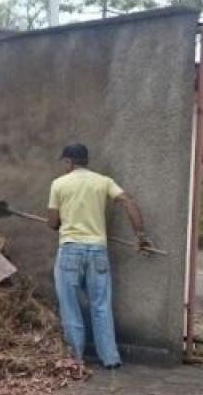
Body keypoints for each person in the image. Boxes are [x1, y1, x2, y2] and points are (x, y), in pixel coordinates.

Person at [47, 144, 151, 368]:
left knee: (70, 305)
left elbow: (53, 224)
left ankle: (75, 359)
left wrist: (63, 220)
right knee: (101, 306)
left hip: (70, 251)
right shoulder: (104, 181)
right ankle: (110, 358)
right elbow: (127, 201)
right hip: (97, 251)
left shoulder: (59, 184)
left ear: (69, 162)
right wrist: (140, 235)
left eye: (64, 163)